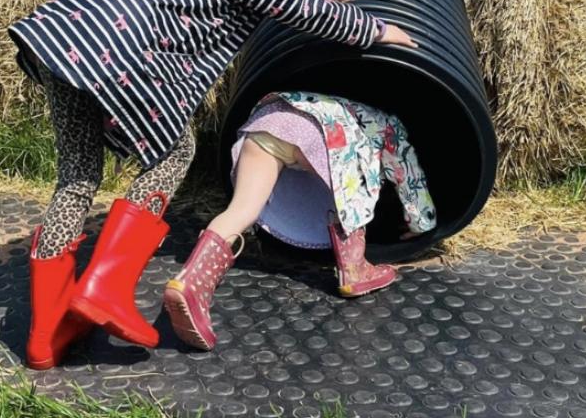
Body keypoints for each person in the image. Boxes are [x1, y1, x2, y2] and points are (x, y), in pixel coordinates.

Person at [8, 0, 416, 368]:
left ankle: (46, 336)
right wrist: (379, 30)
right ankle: (106, 288)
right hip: (116, 47)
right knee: (173, 151)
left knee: (76, 179)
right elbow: (305, 11)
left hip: (66, 35)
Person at [164, 90, 436, 351]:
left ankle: (190, 285)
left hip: (267, 122)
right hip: (319, 130)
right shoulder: (388, 125)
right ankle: (354, 269)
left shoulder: (334, 102)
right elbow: (406, 171)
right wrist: (420, 222)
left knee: (242, 209)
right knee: (357, 177)